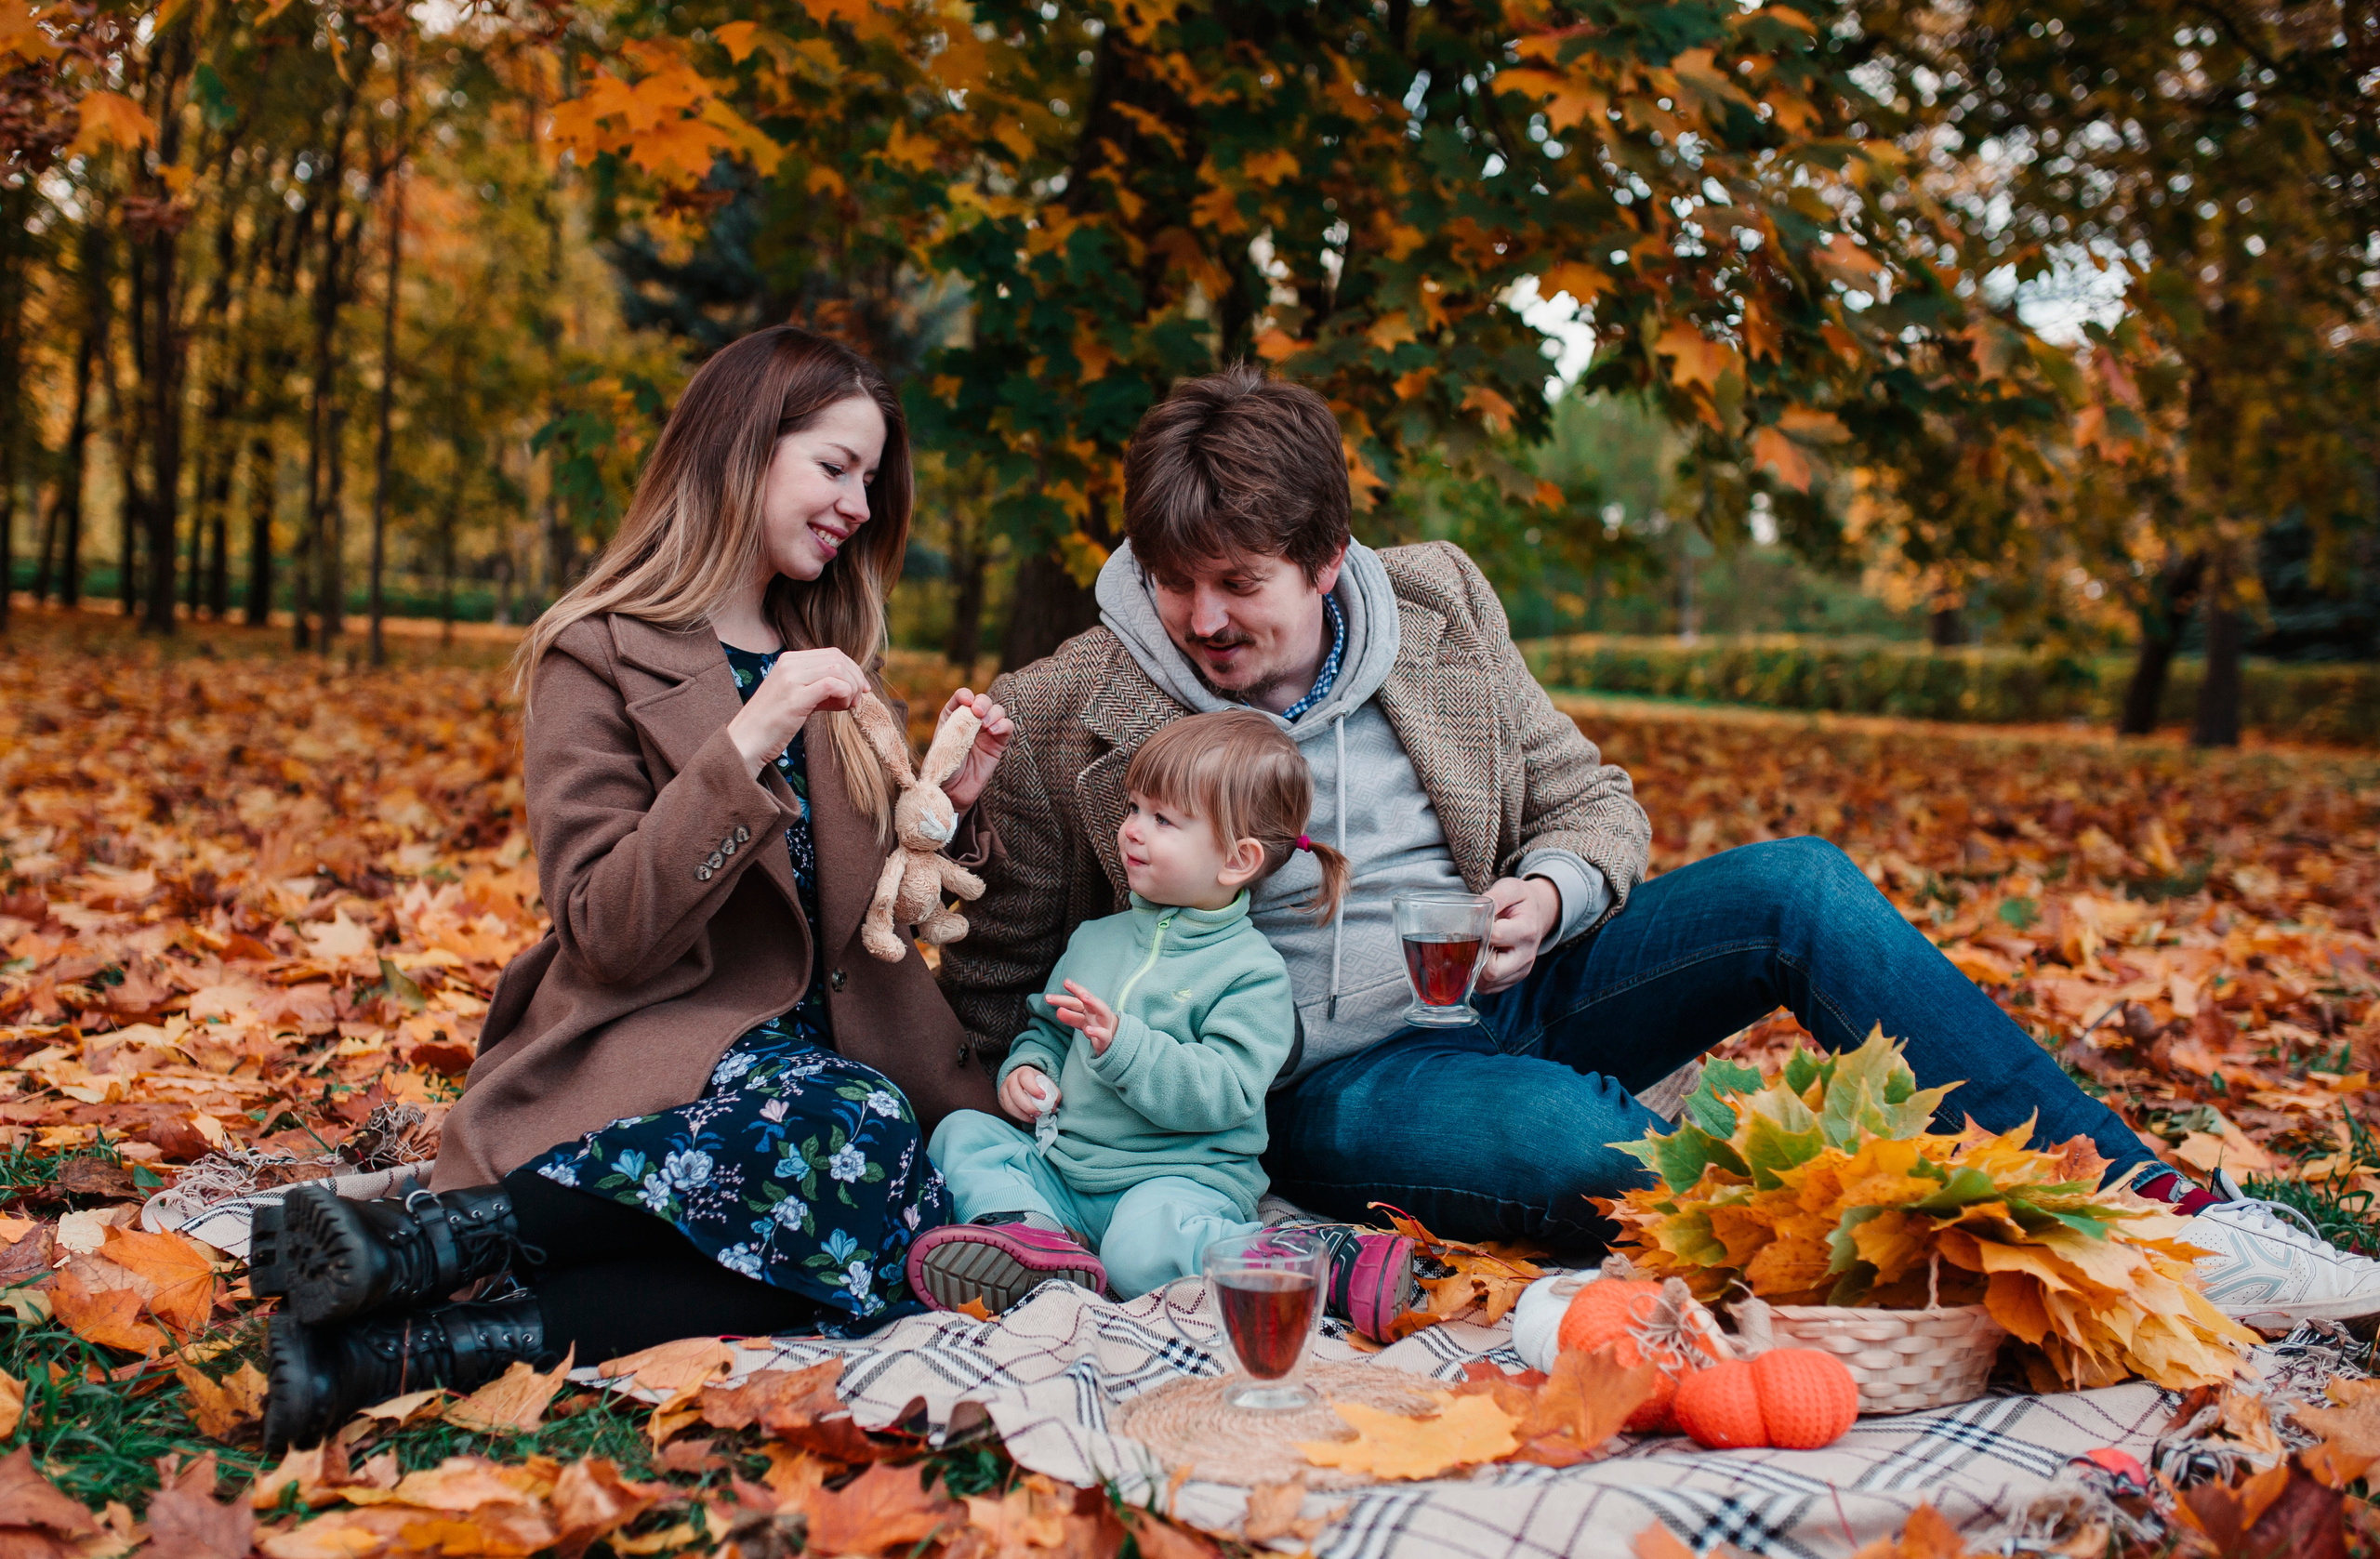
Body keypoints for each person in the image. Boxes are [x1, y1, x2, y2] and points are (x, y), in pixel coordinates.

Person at [938, 363, 2380, 1329]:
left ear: (1328, 559)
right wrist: (986, 879)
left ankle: (2149, 1210)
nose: (1204, 623)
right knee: (1567, 1141)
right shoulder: (1075, 703)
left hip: (1510, 983)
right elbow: (997, 959)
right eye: (1177, 585)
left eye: (1241, 586)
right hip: (1324, 1088)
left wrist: (1549, 892)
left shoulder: (1436, 606)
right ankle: (1947, 1238)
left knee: (1798, 885)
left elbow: (1596, 799)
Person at [260, 327, 1014, 1453]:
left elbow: (878, 917)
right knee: (847, 1139)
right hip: (666, 1043)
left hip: (823, 1067)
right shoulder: (596, 653)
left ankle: (387, 1345)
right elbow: (605, 928)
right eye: (834, 466)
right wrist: (745, 741)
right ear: (740, 452)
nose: (860, 502)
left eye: (871, 477)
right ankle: (442, 1243)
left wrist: (950, 806)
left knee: (870, 1231)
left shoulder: (839, 663)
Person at [907, 711, 1414, 1338]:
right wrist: (1027, 1071)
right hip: (1064, 1175)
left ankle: (1316, 1262)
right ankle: (1030, 1242)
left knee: (1141, 1247)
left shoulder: (1250, 972)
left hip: (1177, 1185)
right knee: (962, 1133)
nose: (1132, 831)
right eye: (1134, 808)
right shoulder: (1097, 938)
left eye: (1163, 819)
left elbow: (1224, 1090)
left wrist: (1126, 1046)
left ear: (1236, 860)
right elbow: (1049, 1029)